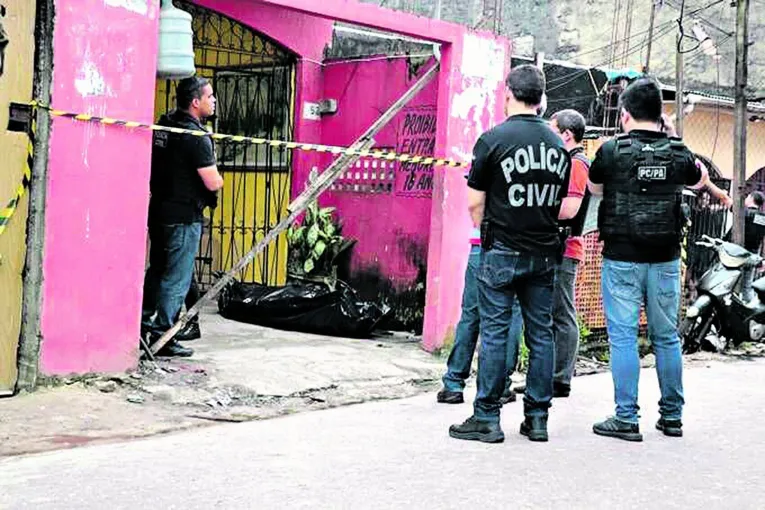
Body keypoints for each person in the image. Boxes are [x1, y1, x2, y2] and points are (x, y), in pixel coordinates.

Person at [587, 77, 721, 442]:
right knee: (666, 339)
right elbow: (699, 179)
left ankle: (626, 418)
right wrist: (674, 139)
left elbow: (595, 188)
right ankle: (672, 417)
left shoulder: (612, 150)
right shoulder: (679, 152)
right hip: (664, 260)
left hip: (622, 258)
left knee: (624, 337)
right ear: (660, 116)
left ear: (625, 114)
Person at [449, 64, 571, 444]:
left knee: (497, 332)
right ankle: (537, 418)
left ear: (509, 93)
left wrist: (492, 232)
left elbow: (474, 203)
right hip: (544, 253)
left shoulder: (493, 139)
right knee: (541, 334)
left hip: (502, 249)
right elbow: (559, 202)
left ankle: (486, 416)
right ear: (541, 99)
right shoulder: (558, 147)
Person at [141, 76, 223, 357]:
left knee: (158, 269)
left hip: (159, 211)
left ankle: (143, 323)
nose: (214, 101)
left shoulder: (164, 125)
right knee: (177, 278)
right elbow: (212, 182)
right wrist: (219, 179)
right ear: (195, 102)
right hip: (184, 215)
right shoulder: (196, 136)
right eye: (210, 96)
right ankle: (163, 334)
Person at [437, 192, 523, 405]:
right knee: (511, 315)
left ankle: (453, 384)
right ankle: (501, 385)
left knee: (471, 315)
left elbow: (475, 202)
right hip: (520, 246)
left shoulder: (485, 157)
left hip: (484, 242)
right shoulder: (538, 160)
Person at [548, 109, 591, 398]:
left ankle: (561, 378)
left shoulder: (576, 163)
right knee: (553, 313)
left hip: (566, 246)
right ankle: (550, 374)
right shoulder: (568, 160)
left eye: (552, 129)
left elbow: (569, 209)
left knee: (562, 313)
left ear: (566, 133)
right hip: (560, 246)